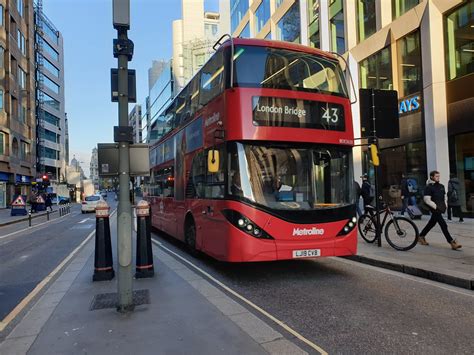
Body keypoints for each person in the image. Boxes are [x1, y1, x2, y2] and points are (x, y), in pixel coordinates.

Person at [418, 170, 462, 250]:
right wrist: (435, 207)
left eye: (439, 176)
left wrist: (445, 205)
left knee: (431, 223)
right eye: (436, 176)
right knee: (443, 225)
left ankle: (421, 236)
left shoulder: (441, 186)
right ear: (432, 177)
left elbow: (444, 197)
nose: (438, 178)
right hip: (434, 208)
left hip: (441, 207)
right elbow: (426, 199)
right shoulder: (428, 187)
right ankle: (451, 242)